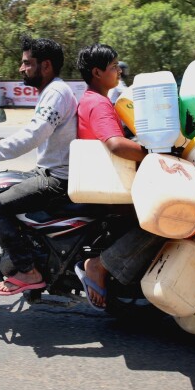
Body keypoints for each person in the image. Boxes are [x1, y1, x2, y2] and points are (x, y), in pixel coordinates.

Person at [0, 36, 78, 296]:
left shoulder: (56, 93)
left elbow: (33, 136)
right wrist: (3, 142)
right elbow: (36, 131)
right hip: (52, 170)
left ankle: (27, 271)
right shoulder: (52, 92)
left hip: (57, 178)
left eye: (27, 63)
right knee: (4, 185)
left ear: (45, 65)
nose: (21, 68)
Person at [73, 43, 165, 311]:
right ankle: (100, 265)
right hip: (108, 186)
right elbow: (115, 144)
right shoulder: (99, 103)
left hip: (106, 180)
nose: (118, 72)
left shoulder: (93, 99)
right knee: (165, 220)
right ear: (97, 72)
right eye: (113, 67)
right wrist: (155, 155)